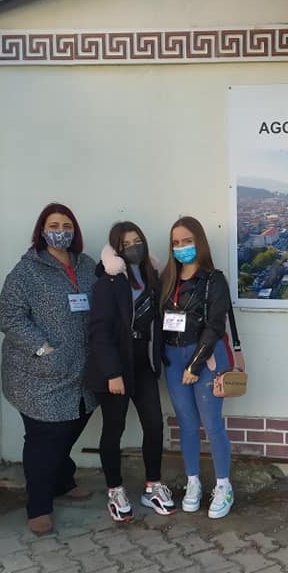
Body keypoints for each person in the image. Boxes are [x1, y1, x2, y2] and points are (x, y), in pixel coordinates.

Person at [0, 203, 98, 536]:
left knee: (72, 423)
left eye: (67, 226)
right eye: (54, 225)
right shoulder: (27, 271)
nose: (61, 231)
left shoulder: (86, 265)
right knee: (44, 439)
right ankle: (38, 506)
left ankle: (62, 480)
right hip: (36, 372)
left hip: (78, 371)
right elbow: (8, 317)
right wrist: (43, 348)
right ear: (42, 230)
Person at [86, 221, 175, 522]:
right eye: (125, 244)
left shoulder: (153, 278)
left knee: (154, 424)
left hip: (143, 362)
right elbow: (99, 332)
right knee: (114, 429)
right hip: (115, 365)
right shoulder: (107, 283)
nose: (133, 247)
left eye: (137, 240)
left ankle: (153, 485)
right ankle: (115, 489)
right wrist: (113, 373)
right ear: (116, 250)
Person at [160, 216, 236, 519]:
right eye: (176, 243)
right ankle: (193, 482)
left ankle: (223, 486)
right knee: (187, 424)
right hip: (173, 358)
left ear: (199, 242)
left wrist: (195, 364)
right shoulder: (167, 278)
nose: (181, 247)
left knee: (212, 424)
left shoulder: (213, 280)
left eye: (187, 241)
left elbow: (215, 326)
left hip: (205, 358)